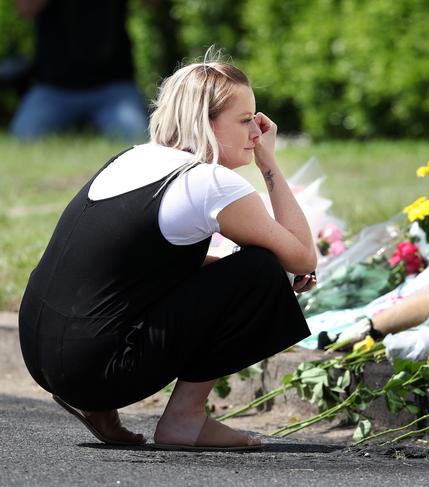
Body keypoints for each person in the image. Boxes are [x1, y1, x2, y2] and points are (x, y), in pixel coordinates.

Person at [18, 55, 318, 450]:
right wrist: (269, 163)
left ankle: (96, 406)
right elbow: (302, 258)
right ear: (205, 122)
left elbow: (143, 268)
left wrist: (226, 280)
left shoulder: (131, 157)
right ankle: (185, 420)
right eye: (245, 120)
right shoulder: (210, 182)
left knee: (234, 271)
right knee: (261, 269)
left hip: (38, 349)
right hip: (94, 368)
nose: (257, 133)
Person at [10, 0, 148, 140]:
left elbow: (153, 4)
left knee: (138, 139)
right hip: (53, 88)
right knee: (23, 136)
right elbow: (26, 8)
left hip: (115, 88)